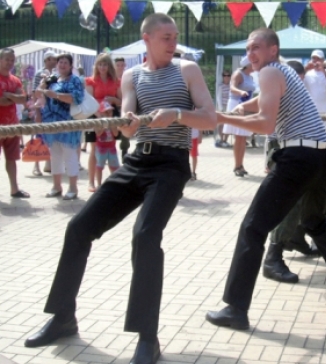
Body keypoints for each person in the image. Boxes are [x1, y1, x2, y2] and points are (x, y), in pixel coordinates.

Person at [24, 14, 217, 364]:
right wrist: (126, 122)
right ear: (146, 38)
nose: (173, 43)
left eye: (175, 36)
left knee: (145, 236)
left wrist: (175, 113)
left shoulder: (187, 70)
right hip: (136, 163)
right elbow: (127, 128)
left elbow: (209, 117)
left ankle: (147, 337)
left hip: (170, 166)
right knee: (78, 227)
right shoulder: (131, 75)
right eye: (166, 37)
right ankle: (63, 317)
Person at [206, 28, 326, 331]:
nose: (250, 55)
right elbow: (267, 100)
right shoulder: (283, 71)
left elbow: (265, 123)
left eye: (256, 48)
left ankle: (235, 309)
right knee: (313, 221)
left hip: (299, 157)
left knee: (253, 228)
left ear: (273, 50)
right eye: (248, 49)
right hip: (322, 158)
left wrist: (223, 118)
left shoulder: (269, 71)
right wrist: (246, 105)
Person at [262, 59, 321, 284]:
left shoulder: (299, 93)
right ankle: (273, 255)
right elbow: (269, 127)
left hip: (305, 151)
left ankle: (295, 235)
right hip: (284, 152)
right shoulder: (276, 87)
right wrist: (269, 156)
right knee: (292, 201)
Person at [36, 53, 84, 200]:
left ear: (70, 66)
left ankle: (73, 188)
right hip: (51, 122)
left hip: (68, 123)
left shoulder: (75, 80)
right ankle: (56, 187)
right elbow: (37, 96)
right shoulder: (53, 78)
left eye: (65, 63)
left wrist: (56, 95)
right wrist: (42, 85)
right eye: (60, 62)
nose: (62, 65)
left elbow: (76, 98)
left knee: (70, 156)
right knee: (55, 155)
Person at [85, 53, 122, 192]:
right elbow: (88, 101)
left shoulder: (116, 81)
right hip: (95, 116)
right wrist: (98, 114)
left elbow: (121, 101)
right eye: (100, 64)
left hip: (110, 115)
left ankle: (114, 181)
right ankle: (91, 182)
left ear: (109, 66)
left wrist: (113, 99)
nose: (102, 67)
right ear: (96, 66)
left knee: (110, 146)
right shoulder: (91, 80)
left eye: (105, 64)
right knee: (94, 149)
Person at [0, 48, 30, 198]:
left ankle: (14, 189)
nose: (10, 63)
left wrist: (9, 96)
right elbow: (2, 101)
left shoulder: (15, 80)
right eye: (7, 59)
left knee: (12, 159)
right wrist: (13, 98)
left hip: (12, 125)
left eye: (12, 60)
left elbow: (23, 99)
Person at [223, 58, 256, 177]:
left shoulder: (251, 77)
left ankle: (241, 165)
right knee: (239, 136)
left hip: (246, 106)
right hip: (237, 104)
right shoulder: (238, 73)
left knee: (243, 137)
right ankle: (237, 165)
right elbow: (232, 87)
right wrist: (240, 92)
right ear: (248, 64)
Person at [32, 50, 57, 176]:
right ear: (47, 60)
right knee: (39, 137)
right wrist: (37, 112)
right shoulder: (39, 74)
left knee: (50, 137)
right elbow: (35, 93)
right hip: (41, 108)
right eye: (53, 59)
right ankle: (36, 165)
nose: (55, 61)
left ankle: (49, 163)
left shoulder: (56, 74)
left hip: (52, 110)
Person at [304, 49, 326, 131]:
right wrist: (306, 68)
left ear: (323, 60)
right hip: (312, 113)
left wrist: (323, 71)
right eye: (314, 59)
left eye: (318, 59)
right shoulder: (307, 74)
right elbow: (297, 81)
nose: (316, 61)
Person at [114, 57, 130, 159]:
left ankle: (124, 150)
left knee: (125, 131)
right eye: (118, 65)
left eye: (122, 65)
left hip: (125, 106)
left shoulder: (127, 77)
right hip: (114, 107)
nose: (120, 67)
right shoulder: (112, 78)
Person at [215, 69, 231, 147]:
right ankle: (221, 139)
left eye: (228, 75)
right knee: (221, 124)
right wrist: (221, 108)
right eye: (225, 75)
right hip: (223, 106)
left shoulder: (231, 86)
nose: (226, 77)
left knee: (229, 124)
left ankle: (225, 140)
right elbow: (218, 97)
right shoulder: (220, 86)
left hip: (229, 107)